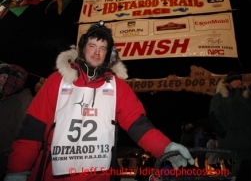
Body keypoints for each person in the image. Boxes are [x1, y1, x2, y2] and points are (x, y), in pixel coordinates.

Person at [4, 21, 194, 181]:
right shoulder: (58, 80)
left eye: (103, 48)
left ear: (108, 54)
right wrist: (17, 170)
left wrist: (166, 148)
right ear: (82, 48)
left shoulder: (116, 86)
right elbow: (32, 130)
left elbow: (138, 125)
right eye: (92, 45)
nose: (97, 52)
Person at [209, 70, 251, 181]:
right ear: (229, 82)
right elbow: (214, 119)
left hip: (250, 147)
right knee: (236, 177)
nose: (238, 82)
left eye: (240, 79)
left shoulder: (249, 97)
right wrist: (228, 134)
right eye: (235, 79)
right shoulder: (218, 98)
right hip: (230, 147)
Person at [0, 63, 33, 180]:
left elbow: (24, 137)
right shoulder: (5, 97)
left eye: (4, 77)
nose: (0, 80)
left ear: (15, 80)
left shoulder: (24, 102)